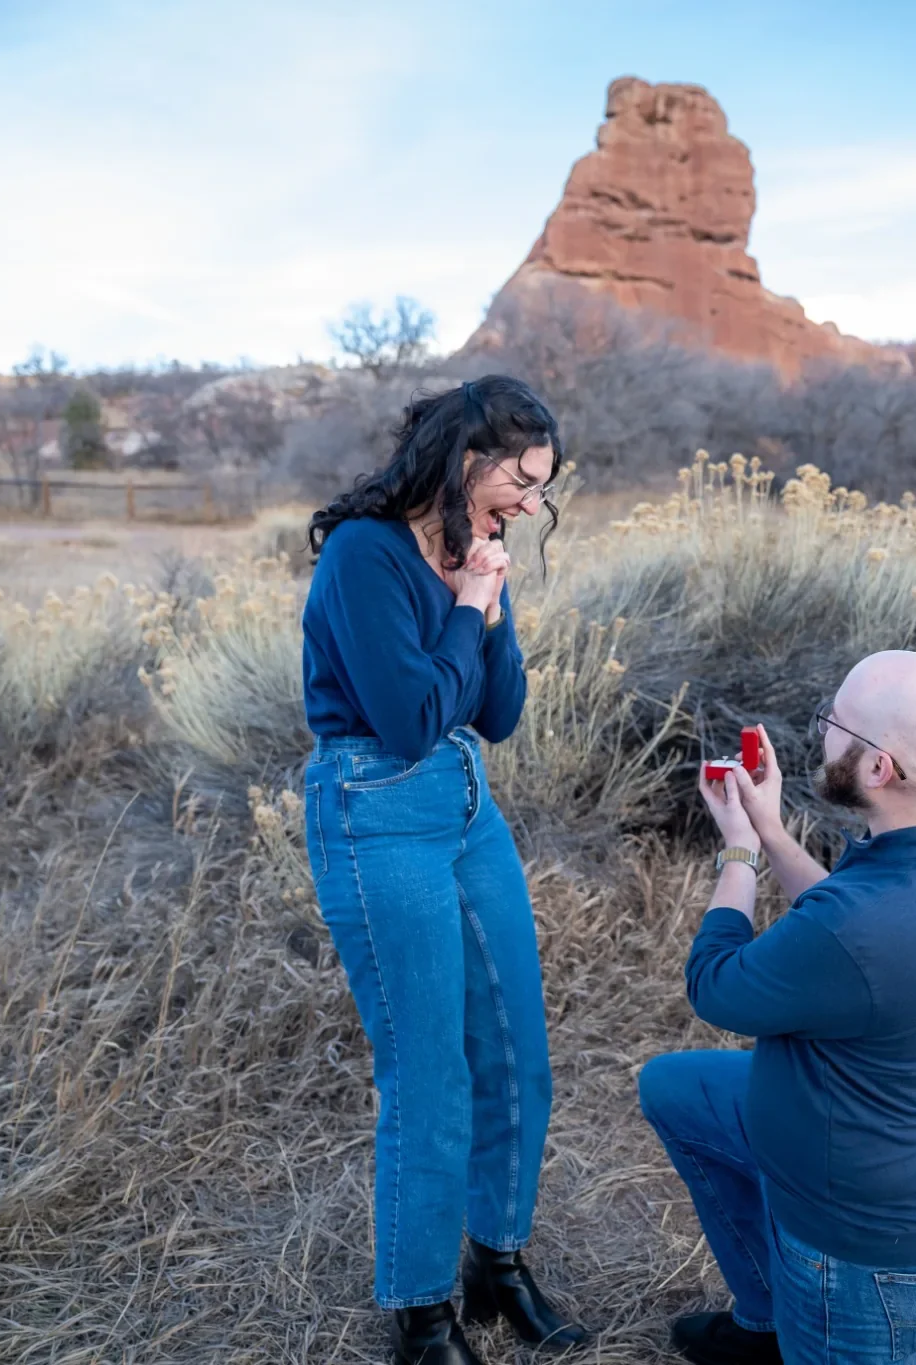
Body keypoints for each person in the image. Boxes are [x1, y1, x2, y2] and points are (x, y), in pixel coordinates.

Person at [301, 377, 590, 1365]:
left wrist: (491, 607)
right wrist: (467, 604)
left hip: (467, 805)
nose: (532, 506)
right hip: (376, 810)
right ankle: (421, 1317)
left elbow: (496, 716)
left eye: (542, 489)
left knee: (514, 1054)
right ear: (465, 457)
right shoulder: (365, 555)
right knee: (428, 1074)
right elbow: (411, 717)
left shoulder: (473, 550)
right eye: (523, 481)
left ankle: (496, 1264)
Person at [639, 650, 916, 1365]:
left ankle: (798, 1325)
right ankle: (765, 1322)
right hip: (872, 1140)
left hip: (854, 1247)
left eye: (834, 723)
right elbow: (852, 928)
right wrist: (772, 831)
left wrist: (739, 852)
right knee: (675, 1090)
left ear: (879, 768)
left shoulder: (860, 926)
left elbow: (714, 984)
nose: (821, 734)